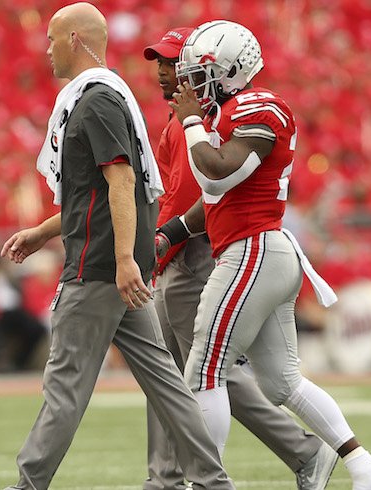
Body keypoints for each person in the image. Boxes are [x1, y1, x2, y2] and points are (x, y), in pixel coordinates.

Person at [0, 4, 232, 489]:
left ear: (77, 40)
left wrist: (125, 259)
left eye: (52, 38)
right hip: (118, 267)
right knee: (167, 386)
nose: (47, 49)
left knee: (64, 388)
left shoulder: (94, 101)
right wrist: (43, 232)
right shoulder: (108, 97)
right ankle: (213, 483)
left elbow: (121, 180)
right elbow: (96, 193)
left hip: (99, 268)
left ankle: (27, 485)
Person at [167, 20, 371, 489]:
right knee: (281, 382)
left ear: (230, 71)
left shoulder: (257, 107)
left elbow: (216, 177)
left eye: (200, 74)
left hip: (252, 252)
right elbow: (213, 203)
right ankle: (363, 464)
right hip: (263, 251)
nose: (191, 85)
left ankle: (203, 483)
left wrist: (190, 122)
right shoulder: (230, 113)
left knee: (205, 370)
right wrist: (169, 235)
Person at [141, 28, 337, 490]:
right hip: (177, 254)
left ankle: (301, 451)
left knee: (206, 371)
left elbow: (203, 195)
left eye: (172, 64)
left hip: (197, 255)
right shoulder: (179, 121)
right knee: (169, 373)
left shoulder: (203, 122)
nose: (165, 73)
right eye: (162, 64)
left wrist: (164, 240)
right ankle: (165, 476)